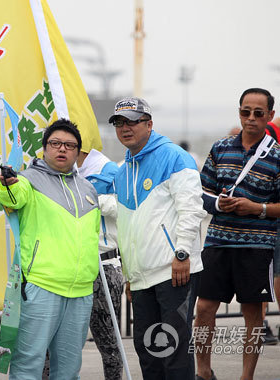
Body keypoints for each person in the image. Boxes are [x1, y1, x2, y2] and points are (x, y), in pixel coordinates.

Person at [0, 118, 101, 380]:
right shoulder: (28, 180)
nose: (62, 149)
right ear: (44, 148)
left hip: (81, 290)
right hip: (42, 286)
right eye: (55, 143)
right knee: (27, 363)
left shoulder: (88, 189)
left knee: (68, 369)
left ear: (78, 152)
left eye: (69, 145)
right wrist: (6, 182)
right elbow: (12, 197)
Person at [110, 97, 206, 380]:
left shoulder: (174, 156)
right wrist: (130, 274)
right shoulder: (123, 170)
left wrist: (182, 254)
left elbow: (191, 209)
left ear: (149, 124)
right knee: (147, 348)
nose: (125, 128)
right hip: (142, 277)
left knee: (173, 350)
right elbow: (127, 226)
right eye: (119, 123)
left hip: (174, 270)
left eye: (132, 121)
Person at [195, 88, 280, 380]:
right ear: (239, 112)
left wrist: (256, 208)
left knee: (253, 315)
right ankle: (203, 372)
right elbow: (201, 192)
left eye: (259, 113)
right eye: (246, 112)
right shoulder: (220, 148)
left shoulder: (277, 155)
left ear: (270, 116)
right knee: (204, 308)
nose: (251, 118)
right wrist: (219, 203)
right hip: (218, 241)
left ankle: (246, 377)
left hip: (257, 247)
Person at [77, 148, 123, 380]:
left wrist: (89, 200)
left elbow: (123, 207)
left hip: (103, 265)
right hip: (66, 268)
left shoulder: (109, 170)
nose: (62, 148)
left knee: (109, 344)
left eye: (69, 144)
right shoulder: (49, 173)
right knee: (58, 345)